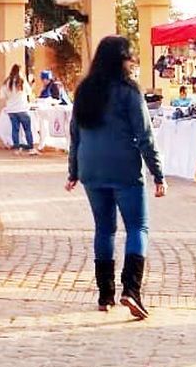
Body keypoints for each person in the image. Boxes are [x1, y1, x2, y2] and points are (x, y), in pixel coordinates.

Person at [66, 36, 166, 318]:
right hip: (123, 167)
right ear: (121, 60)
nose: (133, 63)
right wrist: (158, 173)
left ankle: (104, 295)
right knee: (137, 228)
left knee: (104, 229)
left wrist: (73, 171)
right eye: (130, 57)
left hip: (90, 167)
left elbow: (75, 134)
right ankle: (131, 290)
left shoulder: (84, 89)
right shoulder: (128, 90)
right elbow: (145, 136)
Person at [0, 64, 34, 153]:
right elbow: (29, 92)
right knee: (27, 129)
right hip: (22, 108)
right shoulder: (22, 81)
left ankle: (16, 148)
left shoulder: (7, 82)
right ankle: (30, 147)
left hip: (11, 109)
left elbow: (2, 96)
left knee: (15, 129)